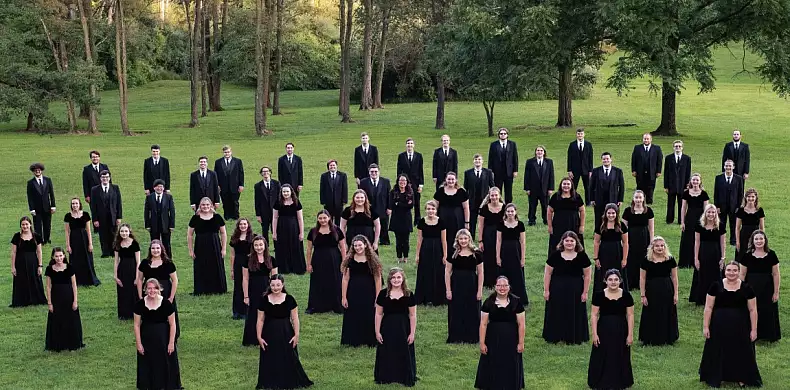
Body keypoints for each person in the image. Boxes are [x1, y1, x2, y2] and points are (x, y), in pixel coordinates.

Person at [699, 262, 762, 388]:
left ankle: (741, 377)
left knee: (741, 351)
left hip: (741, 327)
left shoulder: (747, 288)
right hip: (719, 326)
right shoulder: (715, 286)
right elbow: (708, 307)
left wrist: (754, 329)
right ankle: (718, 375)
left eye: (734, 270)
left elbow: (753, 310)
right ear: (724, 271)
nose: (731, 273)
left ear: (739, 272)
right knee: (719, 349)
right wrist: (706, 326)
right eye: (729, 270)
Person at [255, 275, 313, 389]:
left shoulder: (290, 299)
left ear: (283, 285)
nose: (275, 288)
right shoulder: (264, 300)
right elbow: (260, 320)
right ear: (269, 285)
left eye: (278, 285)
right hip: (269, 334)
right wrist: (259, 336)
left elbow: (295, 318)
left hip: (286, 333)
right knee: (271, 358)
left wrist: (296, 335)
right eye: (273, 285)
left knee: (288, 357)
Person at [474, 276, 526, 390]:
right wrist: (482, 343)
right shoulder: (489, 302)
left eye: (505, 285)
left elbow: (521, 324)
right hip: (493, 340)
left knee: (510, 363)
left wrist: (521, 342)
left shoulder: (516, 302)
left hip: (511, 341)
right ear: (495, 287)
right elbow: (483, 324)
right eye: (499, 285)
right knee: (493, 363)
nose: (502, 288)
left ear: (509, 287)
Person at [587, 269, 634, 390]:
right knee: (602, 354)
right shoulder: (599, 295)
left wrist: (630, 334)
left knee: (620, 354)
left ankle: (621, 380)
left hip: (621, 330)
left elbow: (630, 315)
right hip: (603, 329)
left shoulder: (627, 296)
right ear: (605, 281)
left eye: (616, 279)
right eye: (610, 280)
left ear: (620, 281)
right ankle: (599, 380)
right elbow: (594, 315)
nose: (613, 282)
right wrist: (595, 334)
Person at [542, 231, 591, 344]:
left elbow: (588, 275)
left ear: (576, 242)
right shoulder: (555, 255)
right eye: (567, 240)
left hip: (576, 290)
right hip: (557, 289)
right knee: (557, 311)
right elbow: (548, 273)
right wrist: (546, 290)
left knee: (574, 312)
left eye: (572, 241)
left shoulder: (582, 256)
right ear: (562, 242)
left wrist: (585, 292)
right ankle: (556, 336)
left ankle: (573, 336)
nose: (569, 243)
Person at [134, 278, 182, 390]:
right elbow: (136, 325)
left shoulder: (166, 304)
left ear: (159, 289)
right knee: (148, 363)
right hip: (147, 339)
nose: (152, 291)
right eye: (149, 288)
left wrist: (171, 343)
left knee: (164, 363)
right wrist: (139, 343)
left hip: (163, 339)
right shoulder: (140, 304)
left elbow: (172, 324)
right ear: (145, 289)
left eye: (154, 288)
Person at [374, 268, 418, 386]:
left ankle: (404, 376)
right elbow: (378, 314)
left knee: (403, 351)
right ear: (389, 279)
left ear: (403, 279)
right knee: (387, 351)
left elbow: (413, 315)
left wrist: (412, 333)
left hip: (404, 328)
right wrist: (377, 332)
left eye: (398, 277)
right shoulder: (383, 294)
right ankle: (386, 376)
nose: (396, 280)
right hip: (387, 327)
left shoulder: (409, 294)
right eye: (393, 277)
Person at [341, 235, 382, 347]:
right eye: (355, 246)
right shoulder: (349, 260)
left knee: (369, 314)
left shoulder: (372, 260)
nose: (357, 248)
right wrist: (344, 297)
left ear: (365, 245)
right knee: (353, 314)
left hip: (369, 291)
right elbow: (345, 279)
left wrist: (378, 297)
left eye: (360, 245)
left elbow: (378, 279)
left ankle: (370, 340)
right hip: (353, 291)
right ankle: (353, 340)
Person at [739, 231, 780, 342]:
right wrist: (741, 290)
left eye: (761, 239)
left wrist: (776, 292)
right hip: (751, 287)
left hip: (767, 288)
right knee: (752, 309)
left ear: (765, 240)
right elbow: (742, 274)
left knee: (767, 309)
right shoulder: (746, 255)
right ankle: (752, 333)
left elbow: (776, 274)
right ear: (752, 241)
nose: (759, 241)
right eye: (756, 239)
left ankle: (768, 335)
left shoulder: (772, 254)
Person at [638, 236, 679, 346]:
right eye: (657, 246)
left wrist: (676, 294)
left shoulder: (670, 259)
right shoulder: (646, 260)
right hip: (652, 290)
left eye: (662, 245)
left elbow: (674, 277)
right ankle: (650, 337)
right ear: (652, 247)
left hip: (667, 289)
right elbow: (642, 278)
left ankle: (667, 337)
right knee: (652, 312)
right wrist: (643, 295)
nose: (660, 248)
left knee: (667, 312)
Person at [445, 229, 483, 343]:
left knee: (471, 309)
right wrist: (448, 290)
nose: (463, 241)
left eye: (465, 238)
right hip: (456, 285)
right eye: (461, 239)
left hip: (472, 285)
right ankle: (457, 336)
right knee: (456, 309)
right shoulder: (453, 253)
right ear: (457, 240)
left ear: (469, 239)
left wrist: (480, 290)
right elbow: (447, 272)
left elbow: (481, 273)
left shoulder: (477, 253)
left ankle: (472, 336)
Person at [137, 240, 180, 340]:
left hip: (165, 292)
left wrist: (171, 297)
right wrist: (140, 295)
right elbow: (139, 279)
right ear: (150, 250)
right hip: (149, 292)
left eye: (157, 248)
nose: (155, 250)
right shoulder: (144, 263)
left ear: (161, 249)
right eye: (153, 248)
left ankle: (170, 336)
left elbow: (174, 280)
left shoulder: (168, 263)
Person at [306, 210, 347, 314]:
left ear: (329, 218)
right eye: (320, 218)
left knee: (335, 280)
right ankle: (318, 305)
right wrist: (308, 264)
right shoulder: (313, 231)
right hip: (318, 260)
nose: (323, 220)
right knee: (318, 281)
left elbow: (342, 247)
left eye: (325, 218)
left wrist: (344, 262)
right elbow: (309, 249)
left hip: (334, 259)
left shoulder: (337, 230)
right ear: (317, 219)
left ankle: (336, 304)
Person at [44, 247, 84, 352]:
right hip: (56, 298)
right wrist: (49, 303)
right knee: (57, 320)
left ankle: (72, 342)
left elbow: (74, 285)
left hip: (69, 297)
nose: (59, 258)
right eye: (56, 256)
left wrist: (75, 301)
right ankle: (58, 344)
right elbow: (48, 287)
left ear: (64, 256)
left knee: (70, 320)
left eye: (61, 256)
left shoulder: (70, 268)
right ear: (53, 257)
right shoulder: (49, 269)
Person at [187, 197, 228, 295]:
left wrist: (224, 248)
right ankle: (202, 289)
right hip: (200, 246)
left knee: (216, 266)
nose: (205, 207)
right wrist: (191, 250)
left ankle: (217, 289)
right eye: (203, 205)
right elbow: (189, 235)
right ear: (200, 206)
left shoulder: (217, 217)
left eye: (207, 205)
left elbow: (223, 233)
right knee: (202, 266)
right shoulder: (195, 218)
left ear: (211, 206)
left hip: (215, 245)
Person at [243, 235, 278, 346]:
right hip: (253, 289)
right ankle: (252, 339)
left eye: (261, 245)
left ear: (265, 246)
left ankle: (267, 337)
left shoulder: (271, 259)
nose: (259, 247)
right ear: (253, 247)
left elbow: (275, 278)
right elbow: (245, 278)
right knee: (253, 313)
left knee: (268, 313)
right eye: (256, 245)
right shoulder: (247, 259)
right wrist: (246, 296)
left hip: (267, 289)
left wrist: (275, 294)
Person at [689, 204, 727, 306]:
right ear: (705, 213)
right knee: (703, 274)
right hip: (703, 253)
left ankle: (717, 297)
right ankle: (701, 298)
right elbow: (697, 242)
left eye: (713, 212)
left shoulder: (721, 226)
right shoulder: (699, 225)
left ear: (716, 214)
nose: (711, 214)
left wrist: (723, 257)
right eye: (709, 212)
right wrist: (696, 258)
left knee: (716, 275)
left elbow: (723, 243)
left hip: (716, 254)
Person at [414, 200, 447, 305]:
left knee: (437, 272)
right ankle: (425, 297)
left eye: (433, 209)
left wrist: (445, 255)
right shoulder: (422, 222)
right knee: (425, 272)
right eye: (428, 209)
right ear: (425, 210)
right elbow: (419, 240)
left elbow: (444, 240)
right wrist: (417, 255)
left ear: (436, 210)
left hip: (438, 250)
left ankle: (437, 298)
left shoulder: (441, 222)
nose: (430, 211)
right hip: (425, 250)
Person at [10, 216, 47, 307]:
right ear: (20, 226)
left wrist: (40, 265)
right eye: (23, 224)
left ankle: (35, 299)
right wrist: (13, 266)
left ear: (30, 224)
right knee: (21, 281)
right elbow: (13, 252)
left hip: (33, 262)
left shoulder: (36, 236)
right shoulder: (17, 236)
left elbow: (39, 251)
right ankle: (22, 301)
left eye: (26, 224)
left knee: (35, 280)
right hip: (20, 263)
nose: (25, 226)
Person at [496, 203, 528, 306]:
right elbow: (499, 241)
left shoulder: (520, 225)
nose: (510, 213)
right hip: (504, 252)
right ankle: (504, 297)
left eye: (512, 211)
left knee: (518, 276)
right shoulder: (501, 224)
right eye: (508, 211)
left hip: (516, 253)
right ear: (505, 212)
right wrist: (498, 256)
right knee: (505, 274)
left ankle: (520, 299)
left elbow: (523, 242)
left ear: (515, 212)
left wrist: (523, 258)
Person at [621, 190, 654, 290]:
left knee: (642, 258)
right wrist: (623, 242)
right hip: (631, 237)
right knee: (631, 259)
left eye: (640, 197)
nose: (638, 200)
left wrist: (651, 242)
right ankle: (631, 282)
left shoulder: (648, 211)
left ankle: (642, 282)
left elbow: (651, 228)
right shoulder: (627, 211)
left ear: (643, 198)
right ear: (633, 199)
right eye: (636, 197)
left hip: (644, 238)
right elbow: (623, 227)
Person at [64, 198, 100, 287]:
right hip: (73, 240)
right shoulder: (68, 216)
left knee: (87, 259)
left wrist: (90, 243)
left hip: (84, 239)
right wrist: (68, 245)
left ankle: (88, 279)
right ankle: (76, 280)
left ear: (79, 204)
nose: (74, 205)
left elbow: (88, 230)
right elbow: (67, 232)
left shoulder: (86, 215)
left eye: (76, 203)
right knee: (75, 260)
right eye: (73, 204)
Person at [593, 204, 629, 291]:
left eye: (613, 213)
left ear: (617, 214)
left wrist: (624, 259)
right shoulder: (600, 225)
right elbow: (596, 242)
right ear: (605, 213)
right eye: (609, 213)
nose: (611, 215)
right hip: (604, 253)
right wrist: (596, 258)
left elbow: (625, 243)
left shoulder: (621, 226)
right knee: (603, 273)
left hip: (617, 253)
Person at [433, 172, 469, 259]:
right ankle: (444, 256)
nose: (451, 181)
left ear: (456, 180)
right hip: (443, 219)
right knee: (444, 238)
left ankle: (457, 256)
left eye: (452, 179)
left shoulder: (461, 192)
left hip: (457, 220)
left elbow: (466, 208)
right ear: (446, 179)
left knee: (456, 238)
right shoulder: (440, 191)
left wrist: (467, 222)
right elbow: (435, 206)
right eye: (449, 179)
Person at [272, 184, 306, 274]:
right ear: (281, 192)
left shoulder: (296, 202)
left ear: (291, 192)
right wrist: (274, 232)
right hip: (281, 227)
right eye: (284, 192)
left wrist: (301, 232)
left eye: (287, 191)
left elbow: (300, 218)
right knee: (283, 247)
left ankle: (296, 268)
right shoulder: (277, 202)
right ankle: (284, 268)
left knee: (295, 246)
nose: (285, 193)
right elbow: (275, 218)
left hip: (294, 228)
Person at [547, 177, 585, 257]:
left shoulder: (577, 197)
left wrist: (582, 226)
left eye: (568, 184)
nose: (566, 186)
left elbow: (582, 211)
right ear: (561, 185)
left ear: (571, 185)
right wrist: (550, 226)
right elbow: (549, 211)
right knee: (557, 243)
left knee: (575, 242)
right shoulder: (555, 197)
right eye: (564, 184)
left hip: (574, 224)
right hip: (558, 226)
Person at [90, 170, 123, 258]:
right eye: (103, 177)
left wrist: (119, 217)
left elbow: (119, 203)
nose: (105, 179)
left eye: (107, 177)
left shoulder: (115, 188)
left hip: (113, 215)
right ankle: (105, 252)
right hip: (101, 217)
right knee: (103, 234)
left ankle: (113, 251)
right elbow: (93, 206)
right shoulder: (95, 190)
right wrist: (95, 219)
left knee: (113, 233)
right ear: (100, 178)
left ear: (109, 178)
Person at [678, 174, 709, 268]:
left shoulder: (704, 194)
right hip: (689, 218)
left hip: (700, 219)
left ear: (700, 182)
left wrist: (706, 222)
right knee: (687, 239)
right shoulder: (686, 193)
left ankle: (696, 260)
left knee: (698, 239)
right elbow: (683, 208)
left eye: (697, 180)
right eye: (693, 180)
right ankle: (685, 262)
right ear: (691, 181)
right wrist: (682, 222)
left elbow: (706, 209)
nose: (695, 182)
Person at [477, 187, 504, 288]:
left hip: (501, 235)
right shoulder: (484, 208)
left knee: (500, 255)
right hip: (488, 235)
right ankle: (488, 281)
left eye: (496, 195)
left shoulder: (504, 207)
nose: (494, 197)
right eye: (492, 195)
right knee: (488, 257)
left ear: (499, 195)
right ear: (489, 196)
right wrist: (480, 240)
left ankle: (500, 280)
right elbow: (480, 225)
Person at [589, 152, 625, 229]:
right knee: (598, 217)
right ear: (601, 160)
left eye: (607, 159)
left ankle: (614, 230)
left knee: (613, 216)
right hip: (599, 199)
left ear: (611, 159)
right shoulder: (596, 171)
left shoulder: (618, 171)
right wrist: (592, 199)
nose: (606, 160)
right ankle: (598, 232)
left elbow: (622, 186)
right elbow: (591, 186)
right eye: (604, 159)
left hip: (613, 198)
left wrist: (620, 199)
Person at [359, 164, 392, 246]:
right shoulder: (363, 182)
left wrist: (389, 207)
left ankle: (384, 240)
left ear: (379, 172)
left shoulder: (385, 181)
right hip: (368, 208)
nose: (374, 173)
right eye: (372, 172)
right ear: (369, 172)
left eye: (376, 171)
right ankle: (369, 240)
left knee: (384, 225)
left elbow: (389, 196)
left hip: (382, 207)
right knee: (368, 226)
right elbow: (360, 195)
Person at [464, 154, 495, 237]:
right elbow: (466, 188)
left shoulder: (488, 172)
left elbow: (492, 186)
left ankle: (484, 236)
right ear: (473, 161)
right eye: (476, 159)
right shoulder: (468, 173)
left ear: (482, 161)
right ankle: (471, 236)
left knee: (485, 219)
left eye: (479, 159)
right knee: (472, 220)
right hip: (472, 200)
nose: (477, 161)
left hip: (484, 200)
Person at [714, 159, 744, 246]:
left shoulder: (738, 179)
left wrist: (739, 206)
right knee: (721, 223)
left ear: (733, 167)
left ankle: (733, 240)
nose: (728, 167)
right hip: (722, 206)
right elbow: (716, 193)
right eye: (726, 166)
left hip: (734, 206)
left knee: (733, 223)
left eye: (730, 166)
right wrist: (717, 206)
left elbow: (740, 193)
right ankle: (720, 239)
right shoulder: (718, 178)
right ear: (724, 167)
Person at [114, 224, 140, 320]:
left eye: (125, 231)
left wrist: (137, 277)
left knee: (133, 292)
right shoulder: (117, 244)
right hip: (122, 270)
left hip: (133, 270)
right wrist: (115, 276)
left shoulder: (134, 244)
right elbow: (116, 261)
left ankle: (135, 313)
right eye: (122, 231)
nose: (124, 233)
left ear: (129, 232)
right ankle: (124, 314)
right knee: (123, 291)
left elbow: (138, 261)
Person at [524, 145, 555, 226]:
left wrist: (551, 188)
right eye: (538, 150)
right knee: (532, 206)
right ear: (535, 152)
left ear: (544, 152)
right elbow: (526, 176)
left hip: (545, 189)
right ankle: (531, 220)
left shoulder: (549, 162)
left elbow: (551, 176)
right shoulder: (530, 162)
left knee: (545, 206)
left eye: (541, 150)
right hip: (533, 188)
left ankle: (546, 220)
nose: (539, 152)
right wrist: (527, 188)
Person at [230, 218, 254, 320]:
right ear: (238, 226)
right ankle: (237, 311)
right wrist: (232, 270)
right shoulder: (234, 238)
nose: (243, 226)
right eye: (241, 224)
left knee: (248, 286)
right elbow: (232, 255)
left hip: (249, 263)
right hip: (238, 263)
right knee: (238, 286)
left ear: (248, 225)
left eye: (245, 224)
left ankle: (247, 310)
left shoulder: (253, 238)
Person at [144, 179, 175, 257]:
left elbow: (172, 212)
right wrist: (147, 225)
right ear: (154, 188)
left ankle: (168, 259)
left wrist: (172, 225)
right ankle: (154, 258)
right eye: (157, 187)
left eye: (161, 187)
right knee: (154, 243)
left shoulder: (168, 197)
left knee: (166, 244)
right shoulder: (149, 198)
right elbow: (146, 212)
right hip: (154, 224)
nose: (159, 188)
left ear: (163, 188)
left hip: (166, 225)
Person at [397, 138, 424, 224]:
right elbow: (399, 171)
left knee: (417, 201)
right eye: (408, 143)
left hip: (416, 182)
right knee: (404, 200)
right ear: (406, 145)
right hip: (405, 182)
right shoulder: (401, 156)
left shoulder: (419, 156)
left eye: (411, 143)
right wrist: (399, 182)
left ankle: (417, 218)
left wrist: (421, 184)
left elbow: (421, 170)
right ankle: (404, 218)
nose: (410, 145)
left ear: (414, 145)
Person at [488, 127, 519, 203]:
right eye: (501, 134)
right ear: (498, 135)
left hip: (509, 172)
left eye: (504, 134)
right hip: (497, 172)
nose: (503, 135)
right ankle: (499, 206)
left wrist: (515, 171)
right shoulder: (494, 145)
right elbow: (490, 159)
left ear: (507, 135)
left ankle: (508, 206)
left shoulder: (512, 144)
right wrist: (490, 171)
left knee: (509, 191)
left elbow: (515, 158)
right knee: (498, 190)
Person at [663, 140, 691, 224]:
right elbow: (666, 172)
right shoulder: (668, 158)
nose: (677, 148)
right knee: (670, 204)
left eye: (679, 146)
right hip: (671, 185)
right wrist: (666, 186)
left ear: (682, 147)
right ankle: (669, 220)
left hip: (682, 185)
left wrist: (687, 185)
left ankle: (680, 220)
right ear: (673, 147)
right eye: (676, 146)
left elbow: (688, 172)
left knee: (681, 204)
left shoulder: (687, 158)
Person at [630, 133, 663, 204]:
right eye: (645, 139)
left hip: (652, 172)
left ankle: (649, 201)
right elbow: (633, 160)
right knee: (640, 186)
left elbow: (659, 161)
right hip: (640, 172)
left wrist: (659, 171)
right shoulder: (637, 148)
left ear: (651, 139)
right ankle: (640, 201)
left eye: (647, 139)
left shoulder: (657, 148)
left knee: (651, 187)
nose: (646, 140)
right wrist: (633, 170)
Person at [27, 162, 56, 244]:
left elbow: (52, 194)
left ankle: (47, 238)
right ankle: (40, 240)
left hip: (47, 207)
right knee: (37, 226)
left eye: (39, 170)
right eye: (36, 170)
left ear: (41, 171)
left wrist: (53, 206)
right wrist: (32, 209)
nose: (37, 171)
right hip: (37, 208)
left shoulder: (48, 180)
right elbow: (30, 197)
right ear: (33, 172)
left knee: (47, 224)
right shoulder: (30, 183)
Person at [214, 145, 245, 220]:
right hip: (223, 186)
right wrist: (217, 185)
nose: (227, 153)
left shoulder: (238, 161)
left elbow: (241, 173)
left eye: (228, 152)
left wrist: (241, 185)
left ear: (231, 152)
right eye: (225, 152)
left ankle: (235, 216)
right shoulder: (218, 162)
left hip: (235, 185)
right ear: (223, 153)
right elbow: (215, 174)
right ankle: (227, 216)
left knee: (235, 202)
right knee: (225, 201)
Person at [388, 174, 414, 263]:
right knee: (398, 240)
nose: (402, 182)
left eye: (404, 181)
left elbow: (411, 205)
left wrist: (399, 204)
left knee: (406, 240)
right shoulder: (393, 192)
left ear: (407, 182)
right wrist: (403, 204)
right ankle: (399, 257)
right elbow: (392, 204)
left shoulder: (410, 192)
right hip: (396, 219)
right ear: (398, 182)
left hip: (406, 219)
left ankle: (405, 257)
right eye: (400, 181)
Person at [567, 127, 594, 206]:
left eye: (581, 134)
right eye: (578, 134)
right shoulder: (572, 145)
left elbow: (590, 158)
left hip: (586, 169)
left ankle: (588, 202)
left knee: (588, 187)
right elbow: (569, 158)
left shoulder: (588, 145)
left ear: (584, 134)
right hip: (575, 170)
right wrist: (569, 170)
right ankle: (572, 200)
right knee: (573, 186)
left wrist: (590, 170)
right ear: (576, 135)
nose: (580, 135)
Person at [735, 188, 765, 261]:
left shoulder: (760, 210)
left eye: (752, 197)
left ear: (755, 198)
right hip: (744, 236)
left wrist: (762, 240)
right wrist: (738, 241)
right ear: (745, 197)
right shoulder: (741, 210)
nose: (750, 198)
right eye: (748, 196)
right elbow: (737, 228)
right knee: (743, 257)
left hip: (756, 236)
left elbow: (762, 227)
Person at [254, 166, 280, 241]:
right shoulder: (258, 186)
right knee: (264, 231)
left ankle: (276, 247)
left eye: (267, 171)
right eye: (263, 172)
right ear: (261, 174)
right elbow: (257, 201)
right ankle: (265, 247)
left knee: (275, 230)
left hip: (275, 212)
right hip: (263, 213)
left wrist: (279, 211)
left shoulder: (276, 183)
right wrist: (258, 215)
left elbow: (279, 198)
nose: (265, 173)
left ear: (270, 172)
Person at [319, 159, 348, 226]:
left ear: (336, 166)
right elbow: (322, 189)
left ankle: (338, 233)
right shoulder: (324, 176)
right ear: (328, 167)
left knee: (338, 219)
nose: (332, 167)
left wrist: (344, 200)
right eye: (330, 165)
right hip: (328, 202)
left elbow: (345, 188)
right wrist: (322, 201)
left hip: (339, 202)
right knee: (329, 219)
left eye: (334, 165)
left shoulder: (343, 175)